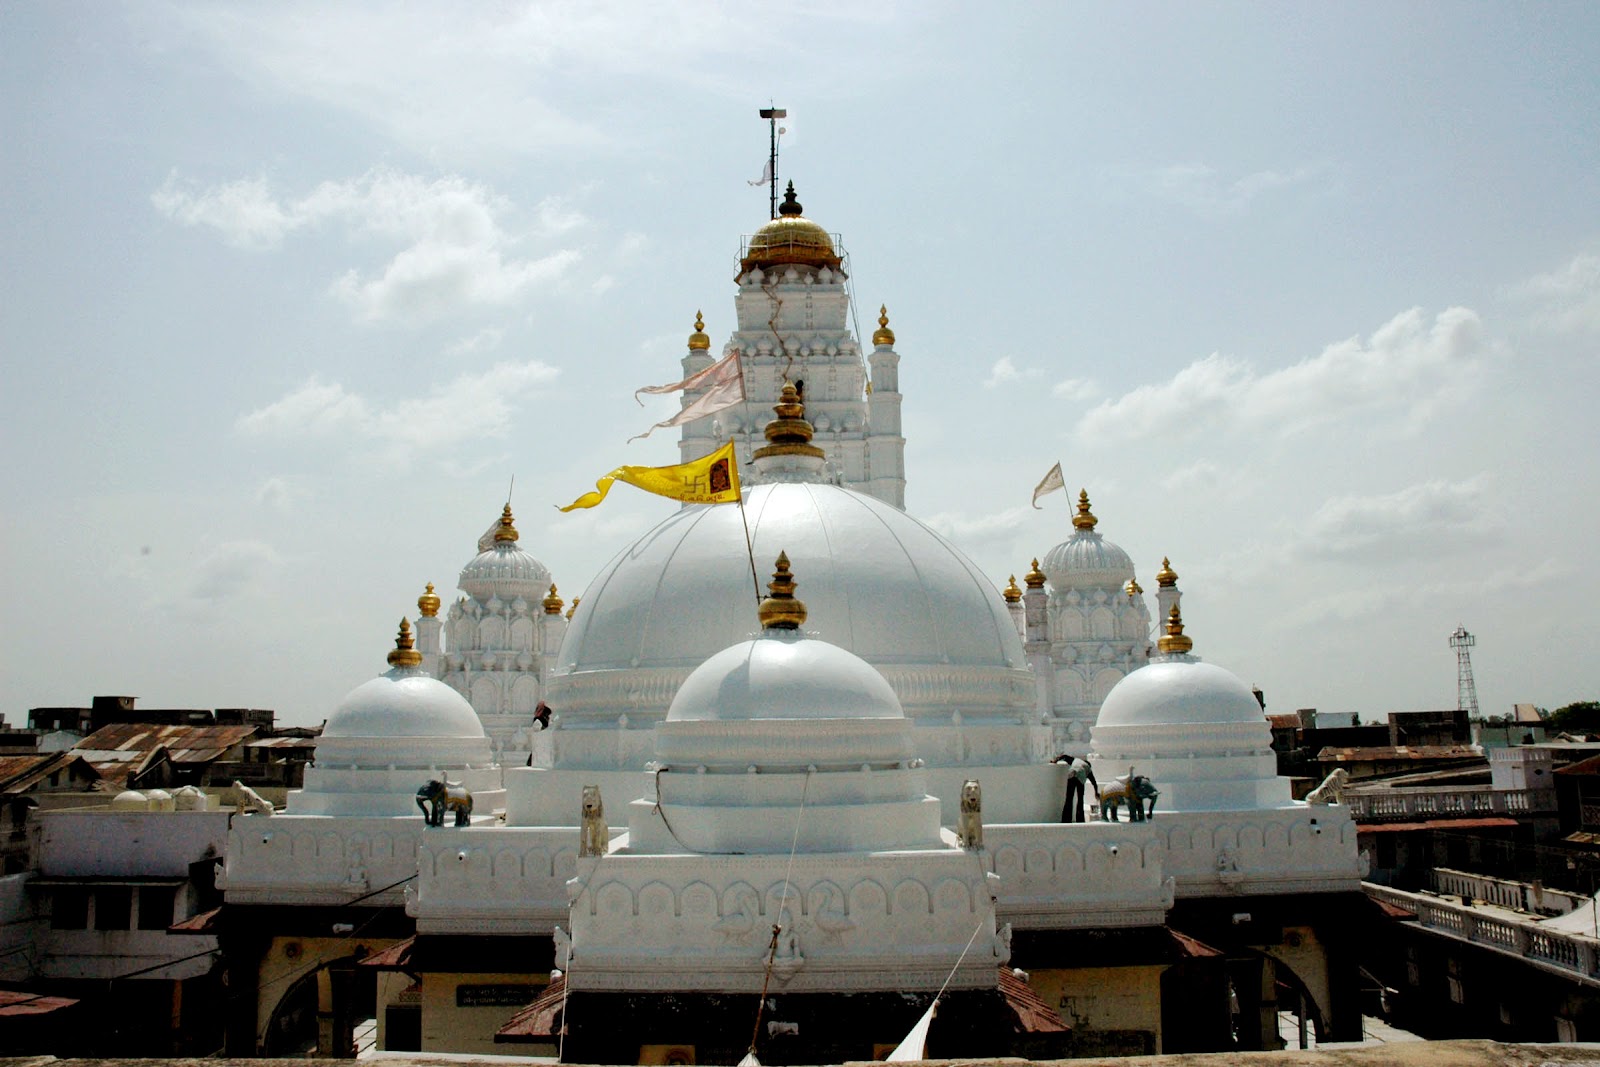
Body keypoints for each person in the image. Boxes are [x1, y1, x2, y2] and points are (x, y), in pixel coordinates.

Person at [1052, 753, 1099, 822]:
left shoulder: (1075, 760)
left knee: (1069, 798)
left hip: (1072, 774)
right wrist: (1096, 792)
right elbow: (1094, 782)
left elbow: (1064, 756)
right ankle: (1080, 819)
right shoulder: (1088, 768)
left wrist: (1055, 761)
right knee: (1080, 799)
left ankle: (1066, 819)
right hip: (1081, 777)